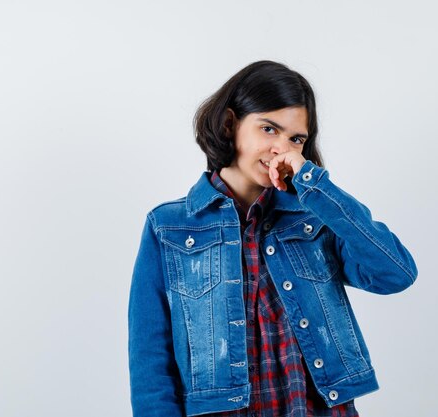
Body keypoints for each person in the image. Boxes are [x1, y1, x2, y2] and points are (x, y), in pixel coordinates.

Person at [128, 60, 418, 417]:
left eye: (296, 139)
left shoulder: (316, 217)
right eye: (268, 129)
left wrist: (318, 188)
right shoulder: (169, 226)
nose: (282, 150)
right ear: (230, 124)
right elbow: (150, 357)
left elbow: (396, 273)